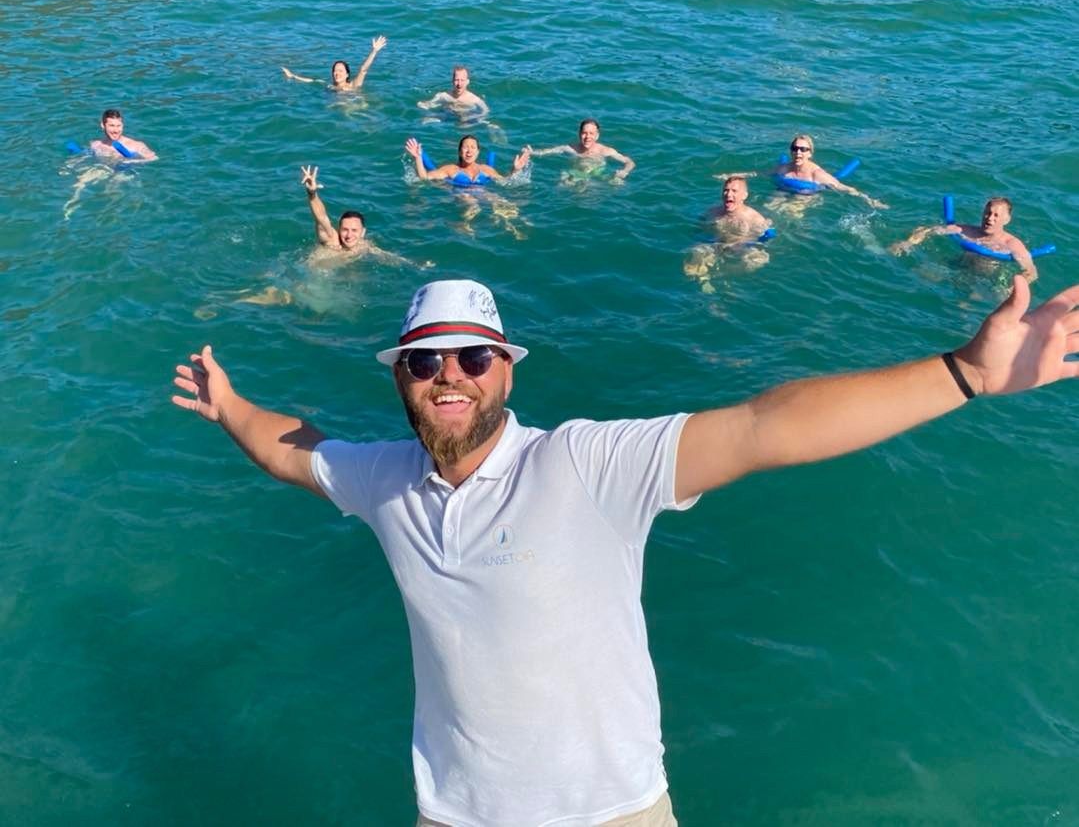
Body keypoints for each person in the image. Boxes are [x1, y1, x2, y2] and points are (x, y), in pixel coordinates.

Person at [171, 276, 1079, 826]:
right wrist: (230, 404)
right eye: (423, 360)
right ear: (401, 378)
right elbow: (297, 447)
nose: (447, 374)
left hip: (610, 815)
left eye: (470, 358)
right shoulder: (386, 482)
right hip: (454, 812)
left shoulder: (584, 463)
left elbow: (767, 425)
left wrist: (962, 375)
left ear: (506, 370)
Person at [301, 165, 427, 267]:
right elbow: (321, 217)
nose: (349, 235)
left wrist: (414, 264)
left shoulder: (364, 245)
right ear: (339, 230)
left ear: (363, 232)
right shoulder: (332, 240)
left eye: (354, 230)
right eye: (345, 230)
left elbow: (386, 256)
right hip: (312, 278)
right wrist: (312, 193)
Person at [890, 197, 1038, 281]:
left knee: (968, 309)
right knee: (916, 274)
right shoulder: (968, 231)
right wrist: (907, 243)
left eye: (996, 215)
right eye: (987, 213)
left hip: (984, 279)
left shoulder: (1011, 244)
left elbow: (1031, 272)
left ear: (1007, 220)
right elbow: (929, 230)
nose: (990, 219)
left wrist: (1013, 287)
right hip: (956, 267)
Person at [685, 176, 773, 286]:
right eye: (726, 190)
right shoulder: (713, 212)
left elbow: (764, 240)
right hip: (716, 244)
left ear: (744, 196)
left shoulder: (755, 219)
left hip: (740, 248)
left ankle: (722, 275)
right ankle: (702, 281)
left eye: (734, 191)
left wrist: (742, 243)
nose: (728, 194)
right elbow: (700, 230)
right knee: (696, 251)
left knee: (760, 259)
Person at [773, 134, 887, 208]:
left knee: (791, 211)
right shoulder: (784, 169)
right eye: (795, 148)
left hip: (807, 194)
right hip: (785, 188)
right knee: (770, 206)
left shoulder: (817, 175)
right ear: (791, 151)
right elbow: (762, 173)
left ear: (810, 153)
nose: (798, 152)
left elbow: (844, 188)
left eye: (803, 149)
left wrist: (869, 200)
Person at [526, 118, 636, 184]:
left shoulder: (605, 151)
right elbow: (549, 151)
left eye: (591, 133)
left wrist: (624, 171)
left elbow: (629, 162)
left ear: (597, 136)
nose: (587, 137)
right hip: (575, 174)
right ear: (579, 134)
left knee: (617, 183)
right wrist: (532, 152)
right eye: (584, 133)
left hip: (597, 174)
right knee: (562, 183)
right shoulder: (571, 149)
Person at [404, 134, 529, 186]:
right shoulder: (450, 169)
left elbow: (506, 182)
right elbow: (424, 178)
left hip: (486, 197)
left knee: (506, 207)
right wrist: (418, 158)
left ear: (478, 152)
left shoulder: (486, 169)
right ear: (459, 151)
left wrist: (515, 170)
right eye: (465, 148)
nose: (469, 151)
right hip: (462, 200)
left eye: (473, 148)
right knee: (469, 204)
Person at [282, 35, 387, 91]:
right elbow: (311, 81)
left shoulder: (354, 85)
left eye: (340, 70)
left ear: (347, 74)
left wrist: (374, 51)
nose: (337, 73)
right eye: (335, 71)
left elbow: (363, 70)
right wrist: (292, 76)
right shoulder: (330, 86)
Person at [417, 66, 490, 123]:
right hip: (447, 117)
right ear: (452, 81)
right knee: (425, 121)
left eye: (462, 80)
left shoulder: (474, 99)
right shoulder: (444, 96)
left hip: (467, 118)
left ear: (467, 82)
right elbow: (428, 104)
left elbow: (486, 111)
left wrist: (473, 117)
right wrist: (423, 106)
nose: (459, 84)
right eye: (457, 80)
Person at [90, 109, 157, 161]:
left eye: (118, 126)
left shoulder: (136, 146)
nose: (116, 130)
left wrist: (133, 161)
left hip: (125, 173)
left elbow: (153, 158)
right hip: (102, 170)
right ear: (103, 125)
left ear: (122, 125)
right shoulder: (96, 145)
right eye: (112, 126)